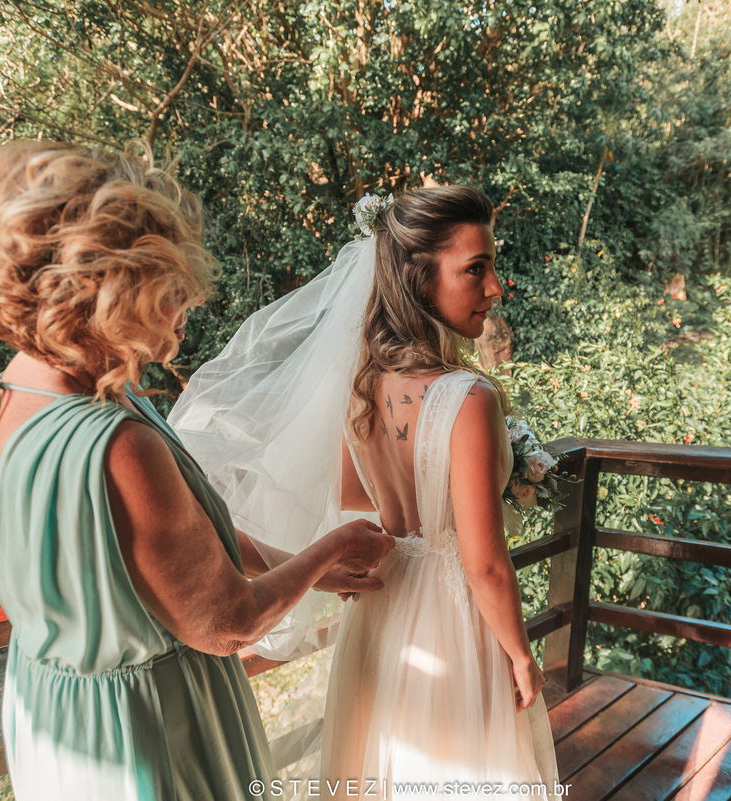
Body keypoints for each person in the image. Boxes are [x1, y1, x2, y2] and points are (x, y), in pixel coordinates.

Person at [0, 141, 394, 801]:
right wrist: (337, 543)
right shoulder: (121, 443)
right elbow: (229, 621)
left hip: (53, 717)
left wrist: (302, 561)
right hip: (146, 734)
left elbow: (169, 543)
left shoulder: (9, 398)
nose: (189, 301)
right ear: (108, 291)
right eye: (171, 285)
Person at [169, 187, 559, 799]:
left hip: (384, 598)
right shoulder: (470, 397)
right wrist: (520, 655)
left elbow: (355, 494)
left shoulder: (364, 384)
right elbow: (485, 564)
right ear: (419, 280)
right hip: (452, 614)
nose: (495, 287)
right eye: (475, 269)